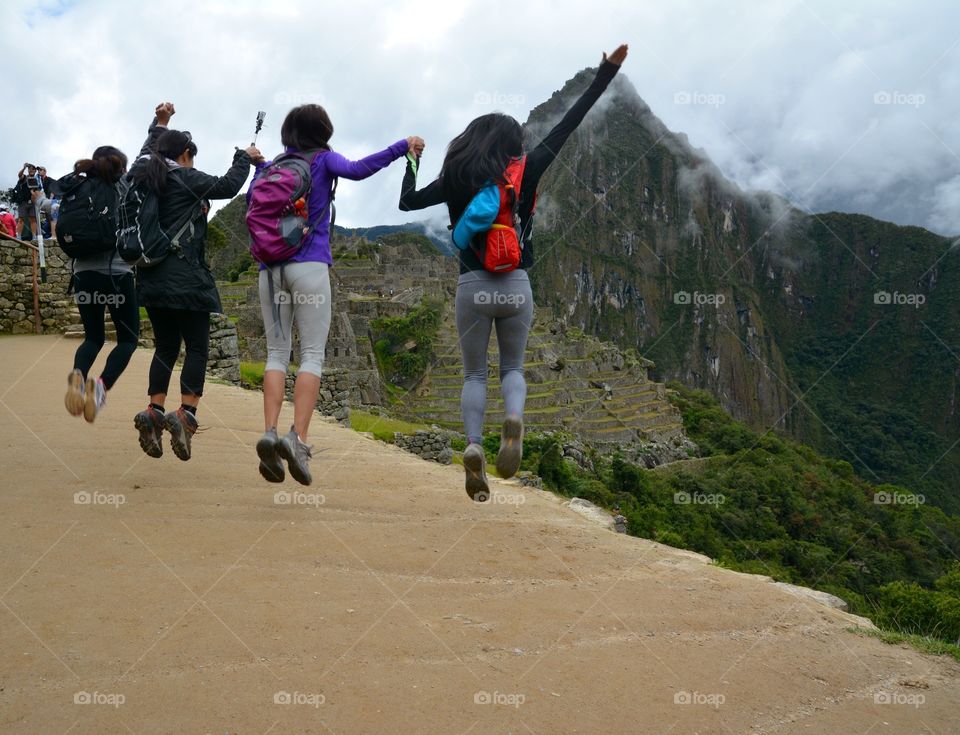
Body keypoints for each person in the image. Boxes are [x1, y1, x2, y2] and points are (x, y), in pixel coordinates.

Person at [399, 44, 628, 501]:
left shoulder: (455, 176)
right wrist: (606, 73)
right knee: (512, 368)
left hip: (471, 286)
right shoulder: (525, 171)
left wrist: (412, 159)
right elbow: (569, 122)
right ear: (512, 146)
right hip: (517, 286)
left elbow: (406, 202)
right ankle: (515, 418)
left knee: (472, 376)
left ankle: (472, 445)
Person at [250, 102, 423, 485]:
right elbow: (359, 170)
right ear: (324, 131)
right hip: (309, 265)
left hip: (269, 270)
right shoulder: (324, 160)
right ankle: (298, 440)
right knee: (311, 354)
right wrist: (402, 146)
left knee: (276, 353)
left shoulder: (274, 167)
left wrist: (256, 163)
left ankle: (269, 431)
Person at [131, 102, 263, 461]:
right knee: (198, 347)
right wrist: (244, 156)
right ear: (185, 154)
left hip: (151, 277)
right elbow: (228, 186)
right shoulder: (184, 178)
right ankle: (185, 415)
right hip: (186, 279)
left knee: (165, 347)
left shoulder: (142, 175)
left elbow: (147, 150)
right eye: (191, 155)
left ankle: (154, 411)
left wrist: (159, 123)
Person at [60, 146, 140, 423]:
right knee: (128, 340)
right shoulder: (123, 185)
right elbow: (149, 150)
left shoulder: (78, 185)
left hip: (83, 273)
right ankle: (101, 387)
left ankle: (78, 377)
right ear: (121, 166)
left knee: (93, 337)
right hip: (117, 273)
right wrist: (160, 123)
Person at [13, 163, 39, 238]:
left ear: (35, 171)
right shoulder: (24, 178)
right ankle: (19, 237)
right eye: (30, 169)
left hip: (32, 202)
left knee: (33, 219)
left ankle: (34, 237)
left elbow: (37, 190)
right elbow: (19, 175)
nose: (32, 170)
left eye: (33, 169)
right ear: (28, 170)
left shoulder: (36, 180)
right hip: (23, 202)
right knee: (21, 219)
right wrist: (24, 167)